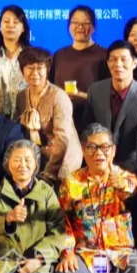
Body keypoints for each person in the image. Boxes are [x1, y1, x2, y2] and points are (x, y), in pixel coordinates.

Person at [53, 125, 137, 273]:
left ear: (113, 151)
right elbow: (62, 220)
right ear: (83, 151)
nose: (99, 153)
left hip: (121, 254)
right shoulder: (71, 182)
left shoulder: (124, 177)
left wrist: (121, 186)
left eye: (104, 147)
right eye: (92, 147)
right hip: (86, 253)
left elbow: (132, 190)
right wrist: (67, 251)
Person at [84, 41, 137, 249]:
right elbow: (87, 130)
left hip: (129, 171)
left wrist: (120, 174)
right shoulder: (96, 90)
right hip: (97, 170)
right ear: (107, 63)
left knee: (130, 237)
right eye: (113, 60)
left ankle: (134, 255)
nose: (118, 64)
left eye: (124, 59)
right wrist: (98, 167)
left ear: (134, 63)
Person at [0, 140, 66, 273]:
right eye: (17, 160)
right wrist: (9, 217)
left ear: (36, 165)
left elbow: (58, 230)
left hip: (37, 261)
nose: (22, 165)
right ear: (7, 164)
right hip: (5, 260)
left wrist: (39, 259)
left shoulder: (47, 193)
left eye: (28, 160)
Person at [14, 46, 81, 185]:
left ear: (47, 70)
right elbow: (16, 130)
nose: (35, 73)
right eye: (30, 68)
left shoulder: (58, 97)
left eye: (40, 68)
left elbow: (62, 139)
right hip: (36, 158)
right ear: (22, 70)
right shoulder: (21, 96)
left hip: (63, 162)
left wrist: (49, 173)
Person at [51, 5, 108, 123]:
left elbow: (108, 94)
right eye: (75, 22)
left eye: (86, 23)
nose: (80, 27)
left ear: (93, 27)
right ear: (69, 26)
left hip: (94, 119)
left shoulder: (104, 55)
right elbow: (50, 87)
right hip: (62, 119)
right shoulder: (59, 54)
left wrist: (81, 95)